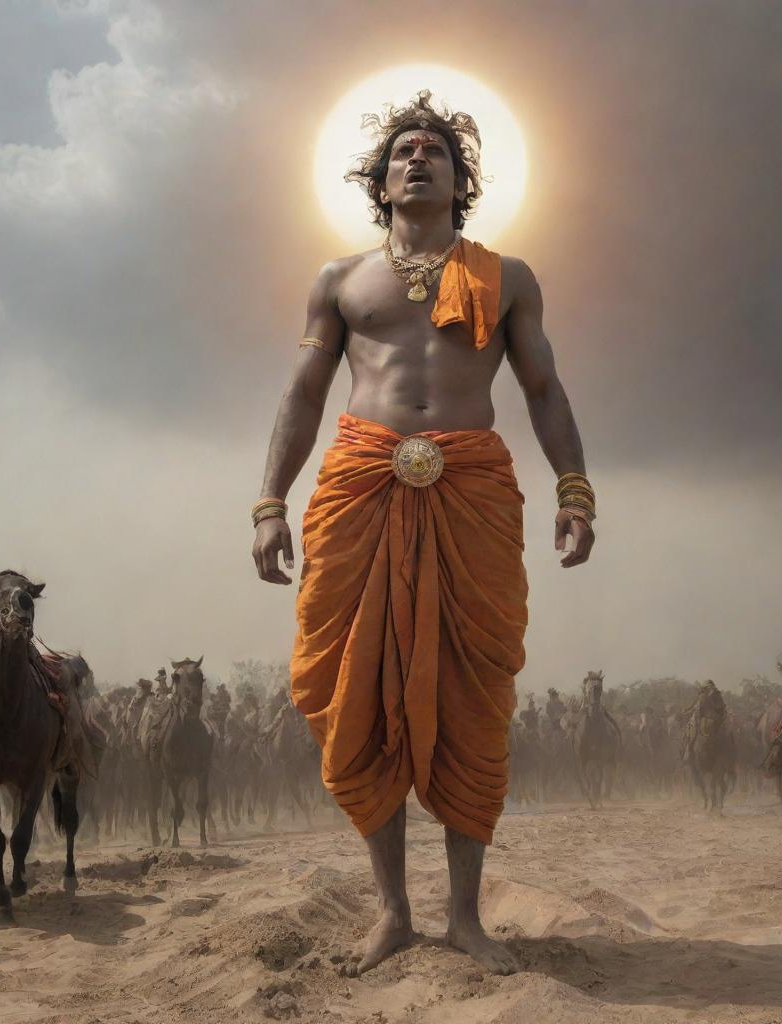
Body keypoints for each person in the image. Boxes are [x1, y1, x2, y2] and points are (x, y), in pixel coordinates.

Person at [251, 89, 597, 977]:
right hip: (360, 485)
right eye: (402, 150)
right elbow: (302, 397)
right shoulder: (339, 280)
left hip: (472, 489)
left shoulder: (508, 276)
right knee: (359, 698)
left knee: (469, 699)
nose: (417, 158)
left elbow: (544, 391)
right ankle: (395, 913)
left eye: (435, 150)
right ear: (380, 180)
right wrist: (268, 503)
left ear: (458, 178)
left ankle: (468, 918)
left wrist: (575, 487)